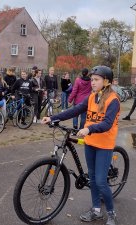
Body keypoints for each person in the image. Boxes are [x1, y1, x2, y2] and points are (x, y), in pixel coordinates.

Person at [41, 65, 120, 225]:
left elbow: (107, 124)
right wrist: (53, 118)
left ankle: (111, 213)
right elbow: (75, 110)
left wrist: (88, 129)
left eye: (96, 80)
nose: (92, 82)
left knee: (100, 181)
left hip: (104, 145)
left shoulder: (113, 100)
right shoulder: (92, 97)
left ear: (106, 81)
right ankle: (96, 210)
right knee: (92, 178)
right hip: (91, 143)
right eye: (92, 80)